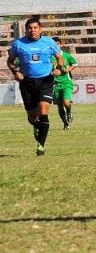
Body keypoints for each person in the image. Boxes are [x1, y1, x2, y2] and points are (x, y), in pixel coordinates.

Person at [7, 17, 65, 156]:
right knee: (32, 116)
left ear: (40, 29)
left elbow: (60, 58)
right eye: (30, 28)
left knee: (44, 110)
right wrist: (16, 72)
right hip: (27, 82)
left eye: (35, 28)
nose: (32, 30)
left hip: (45, 81)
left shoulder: (49, 42)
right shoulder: (18, 44)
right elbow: (10, 62)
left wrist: (58, 69)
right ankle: (36, 125)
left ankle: (41, 146)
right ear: (26, 30)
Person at [51, 36, 78, 130]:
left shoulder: (66, 55)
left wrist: (67, 69)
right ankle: (66, 124)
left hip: (67, 83)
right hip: (55, 85)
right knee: (60, 107)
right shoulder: (49, 57)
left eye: (57, 44)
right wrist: (51, 72)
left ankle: (69, 112)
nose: (56, 46)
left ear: (60, 44)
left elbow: (75, 64)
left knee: (66, 102)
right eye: (54, 45)